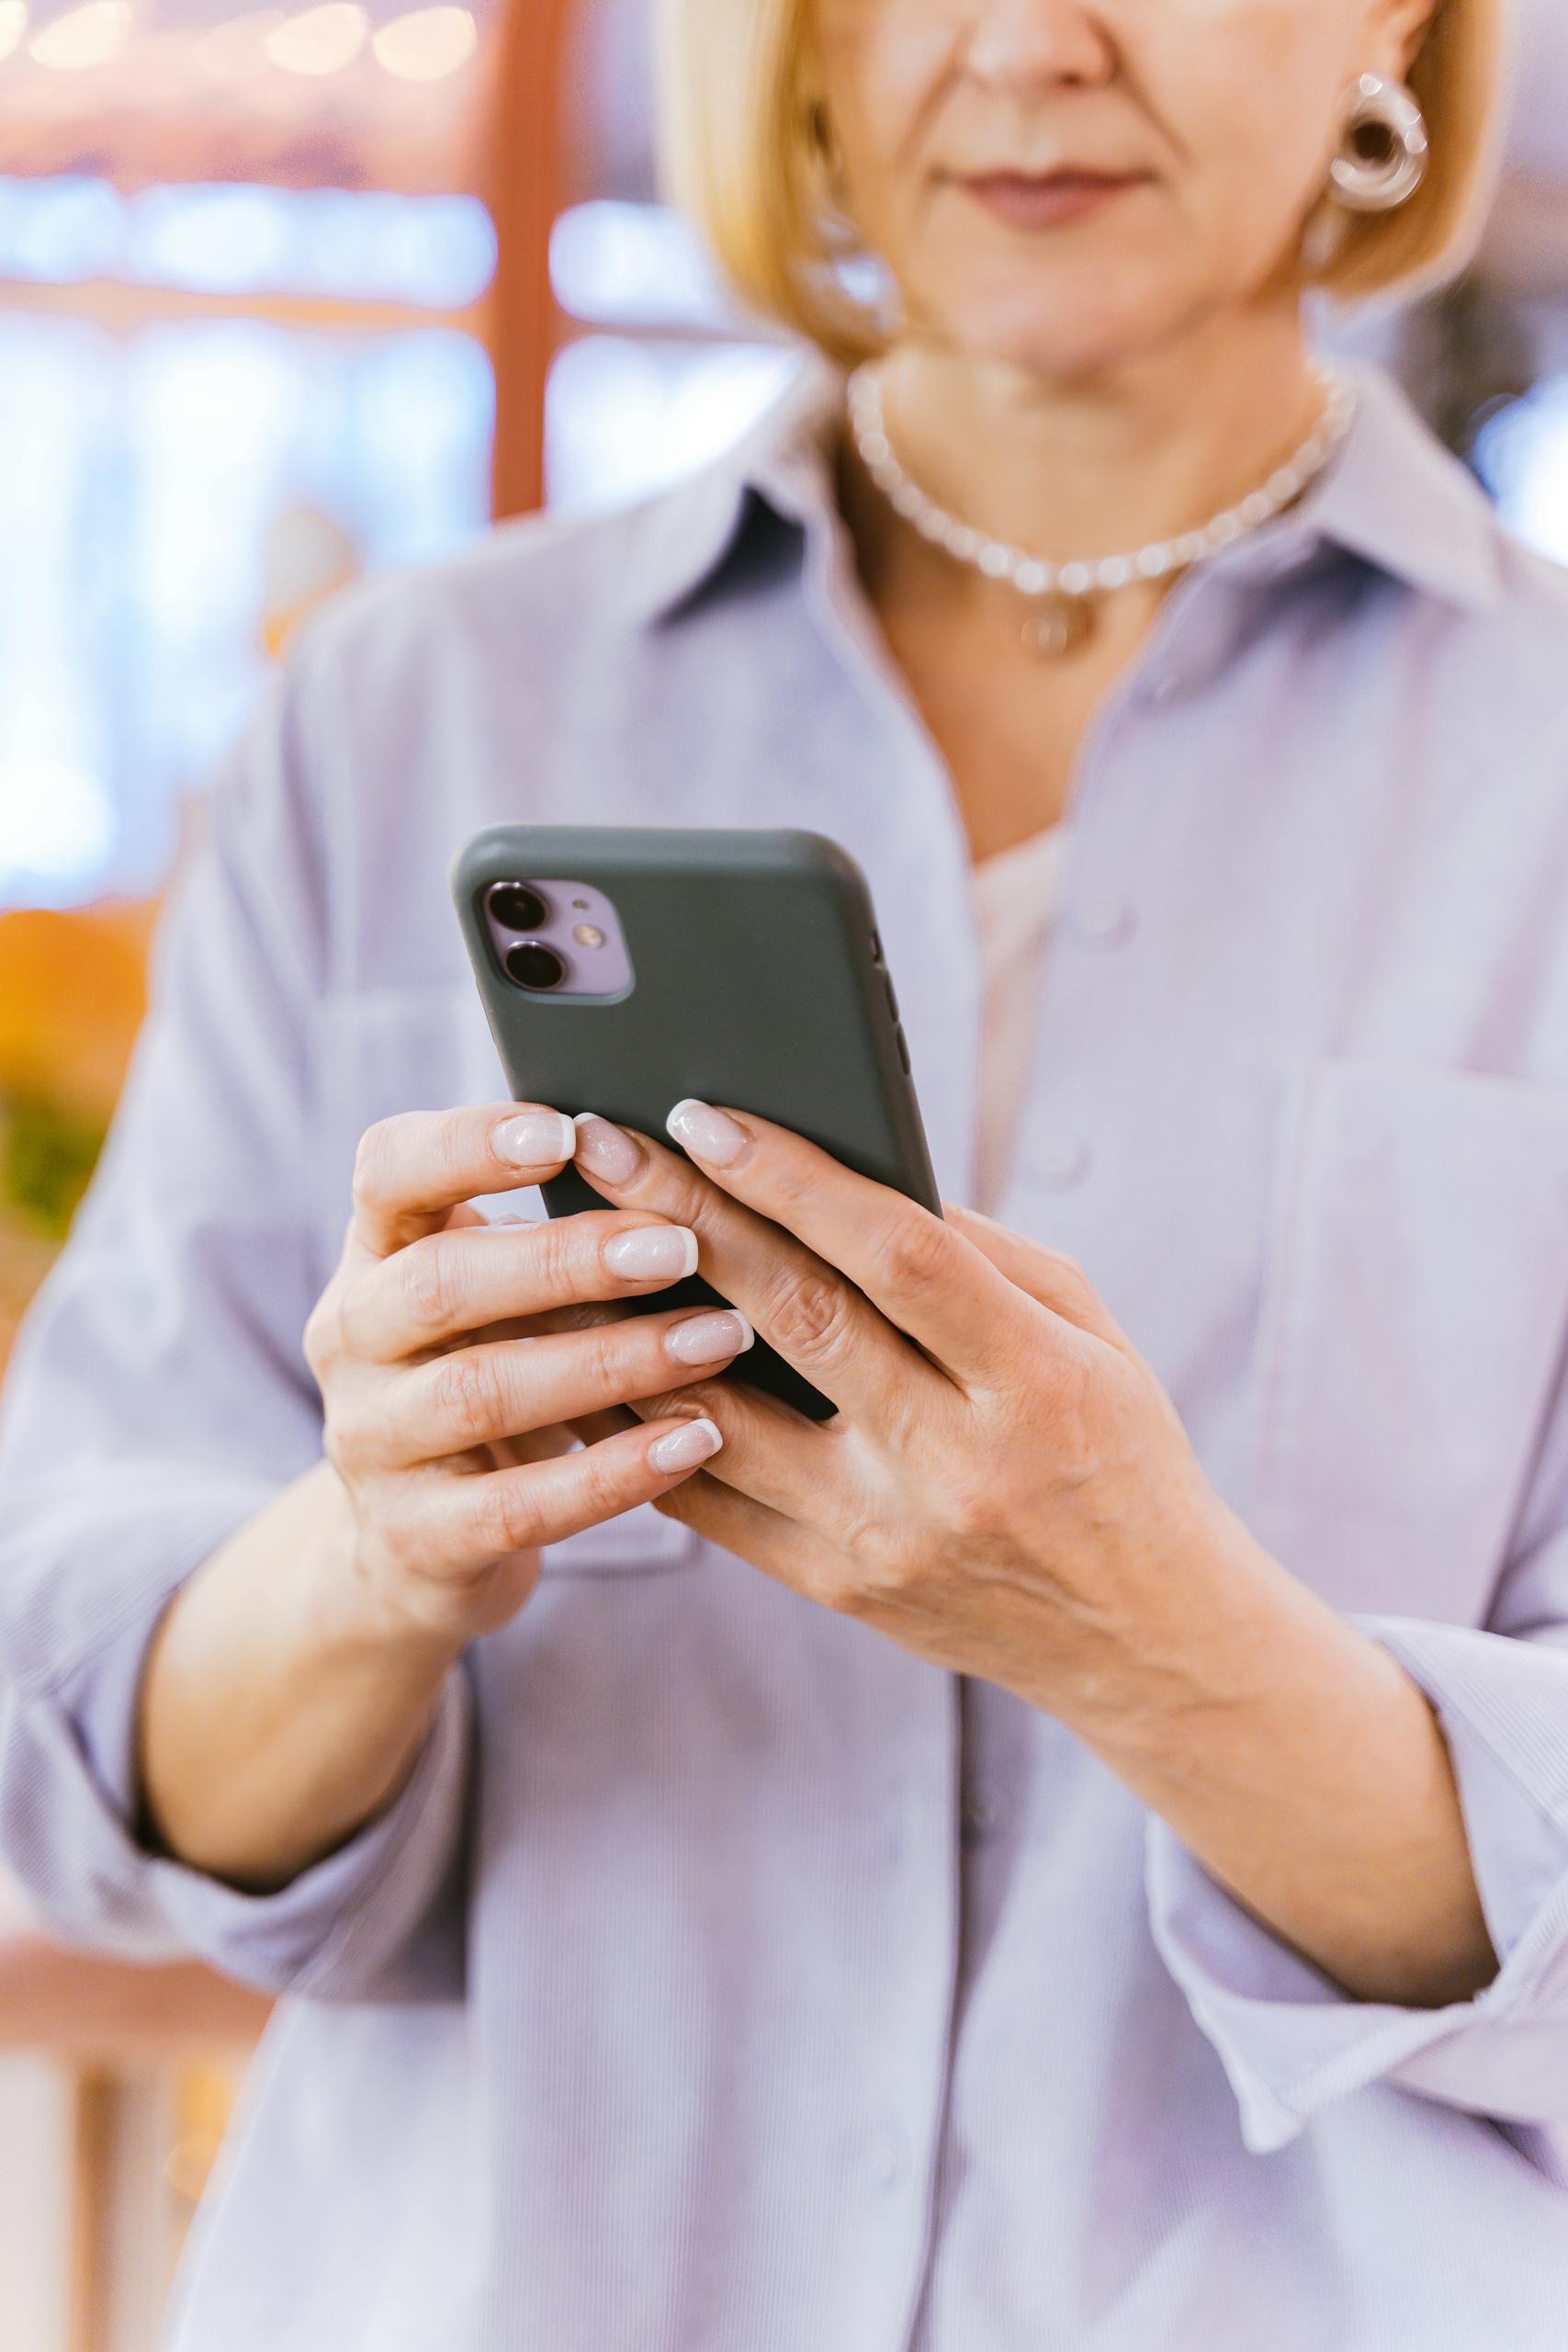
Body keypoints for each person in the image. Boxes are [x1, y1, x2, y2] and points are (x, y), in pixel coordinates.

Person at [3, 0, 1566, 2343]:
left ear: (1395, 28)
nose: (1031, 46)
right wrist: (374, 1547)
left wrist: (1160, 1637)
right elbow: (69, 1729)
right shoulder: (409, 706)